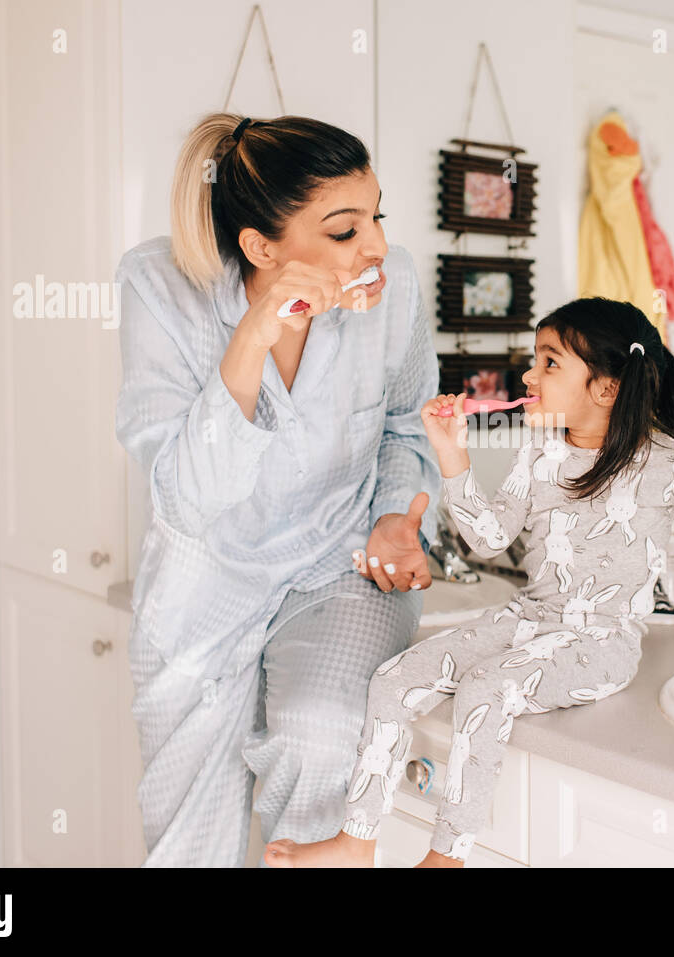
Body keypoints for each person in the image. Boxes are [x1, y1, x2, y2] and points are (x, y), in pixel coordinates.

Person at [263, 297, 674, 867]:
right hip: (528, 615)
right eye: (534, 359)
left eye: (550, 361)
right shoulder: (539, 449)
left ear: (606, 387)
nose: (530, 373)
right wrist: (451, 454)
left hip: (602, 639)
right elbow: (489, 537)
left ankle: (446, 853)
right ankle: (357, 839)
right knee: (393, 679)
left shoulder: (668, 463)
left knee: (490, 690)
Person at [113, 112, 441, 866]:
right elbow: (187, 499)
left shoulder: (395, 291)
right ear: (262, 247)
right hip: (206, 585)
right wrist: (253, 336)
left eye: (377, 216)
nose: (378, 247)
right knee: (187, 844)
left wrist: (397, 517)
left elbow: (405, 423)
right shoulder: (159, 287)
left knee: (320, 735)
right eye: (343, 230)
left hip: (338, 567)